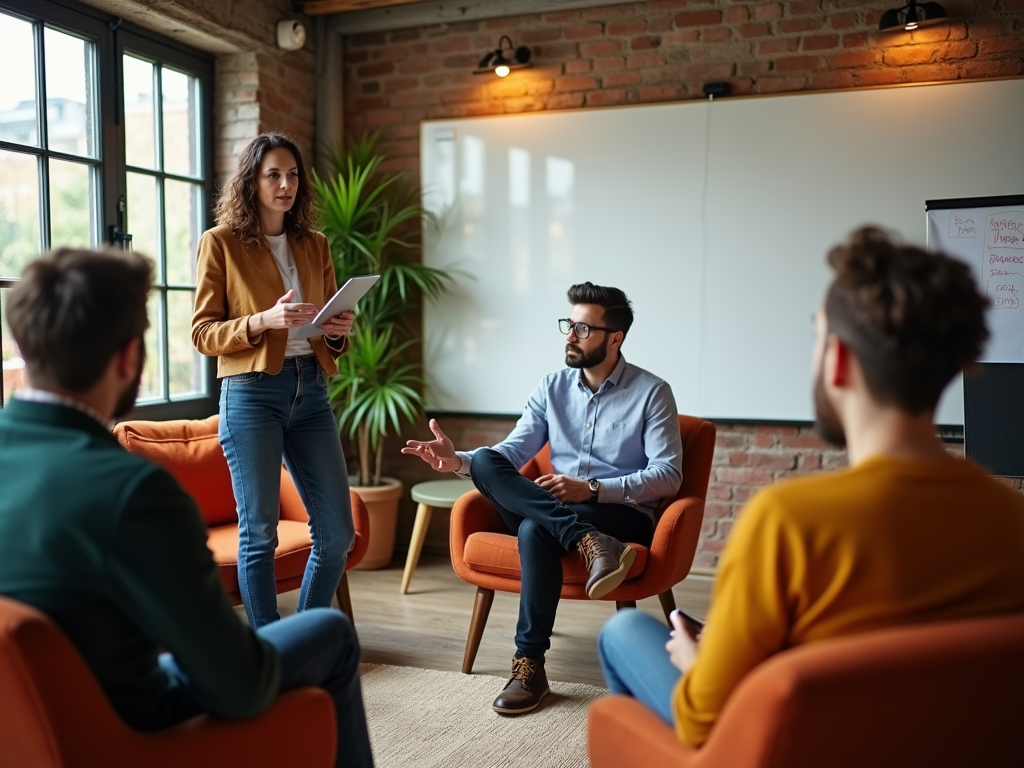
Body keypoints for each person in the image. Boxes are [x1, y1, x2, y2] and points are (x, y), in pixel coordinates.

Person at [598, 226, 1024, 747]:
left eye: (817, 337)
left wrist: (694, 659)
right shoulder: (1011, 519)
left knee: (625, 631)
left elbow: (702, 720)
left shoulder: (791, 519)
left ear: (838, 360)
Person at [0, 247, 373, 768]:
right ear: (130, 358)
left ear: (22, 343)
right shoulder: (134, 492)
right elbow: (239, 687)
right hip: (127, 725)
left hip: (29, 729)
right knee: (329, 632)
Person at [403, 282, 683, 715]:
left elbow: (668, 475)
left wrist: (591, 488)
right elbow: (510, 454)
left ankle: (529, 666)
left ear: (615, 338)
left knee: (536, 528)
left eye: (583, 329)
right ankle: (589, 542)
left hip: (620, 515)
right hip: (563, 511)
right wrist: (455, 461)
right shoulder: (551, 387)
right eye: (568, 325)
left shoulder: (651, 392)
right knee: (485, 462)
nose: (569, 336)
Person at [192, 132, 355, 628]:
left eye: (293, 175)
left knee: (337, 533)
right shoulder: (219, 243)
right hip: (252, 394)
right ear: (252, 181)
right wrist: (262, 321)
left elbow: (326, 330)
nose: (285, 184)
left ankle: (301, 637)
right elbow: (203, 333)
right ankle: (269, 653)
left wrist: (337, 330)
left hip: (311, 391)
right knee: (259, 532)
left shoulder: (315, 244)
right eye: (273, 175)